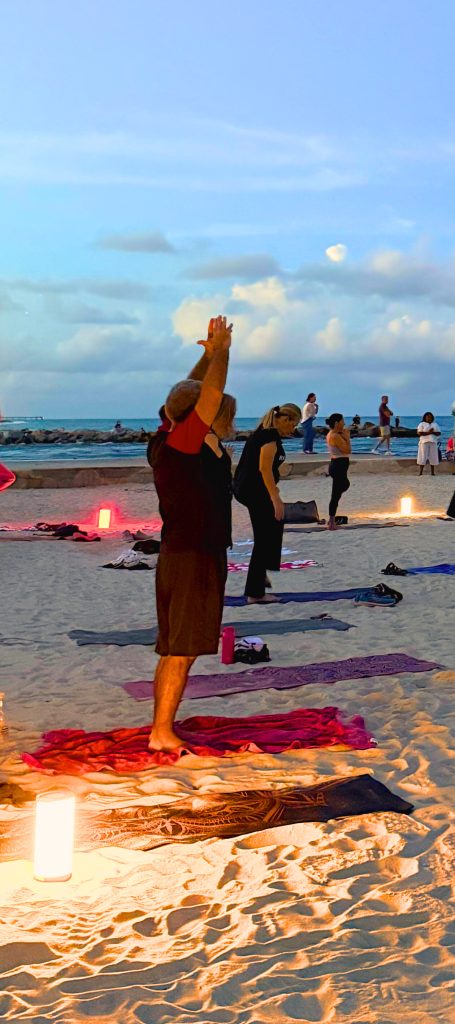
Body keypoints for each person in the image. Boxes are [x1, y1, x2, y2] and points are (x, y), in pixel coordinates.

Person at [147, 315, 234, 751]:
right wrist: (222, 352)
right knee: (180, 648)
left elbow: (185, 392)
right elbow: (208, 395)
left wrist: (204, 357)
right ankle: (161, 732)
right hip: (192, 555)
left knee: (174, 647)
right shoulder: (183, 444)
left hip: (184, 552)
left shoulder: (166, 435)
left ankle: (161, 727)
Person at [234, 403, 301, 603]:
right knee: (265, 536)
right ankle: (255, 592)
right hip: (253, 490)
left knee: (273, 526)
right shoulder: (268, 437)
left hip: (252, 488)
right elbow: (263, 469)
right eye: (293, 423)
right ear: (284, 419)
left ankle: (261, 574)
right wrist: (275, 498)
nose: (293, 428)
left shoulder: (265, 434)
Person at [326, 413, 351, 530]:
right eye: (342, 421)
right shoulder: (334, 436)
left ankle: (331, 519)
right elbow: (347, 450)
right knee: (335, 495)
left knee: (344, 485)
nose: (344, 423)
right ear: (336, 423)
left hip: (339, 465)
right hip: (338, 466)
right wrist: (347, 438)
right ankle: (331, 522)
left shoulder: (335, 434)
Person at [417, 412, 441, 476]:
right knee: (422, 456)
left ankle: (432, 472)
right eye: (427, 417)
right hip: (424, 442)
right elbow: (419, 433)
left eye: (430, 417)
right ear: (425, 417)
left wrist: (432, 432)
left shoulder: (435, 424)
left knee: (433, 457)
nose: (429, 418)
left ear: (432, 418)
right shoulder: (421, 424)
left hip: (433, 442)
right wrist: (428, 432)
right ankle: (420, 472)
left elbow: (439, 433)